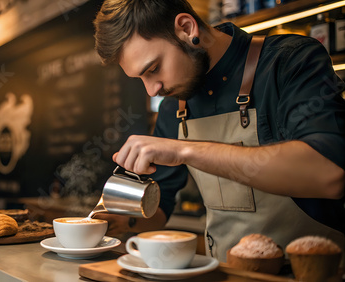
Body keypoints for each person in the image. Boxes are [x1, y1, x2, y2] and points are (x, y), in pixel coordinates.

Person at [92, 0, 345, 262]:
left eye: (154, 69)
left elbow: (329, 172)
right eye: (141, 78)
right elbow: (160, 209)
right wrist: (124, 221)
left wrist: (186, 150)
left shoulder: (290, 60)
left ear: (187, 28)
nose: (151, 90)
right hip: (225, 273)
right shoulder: (174, 107)